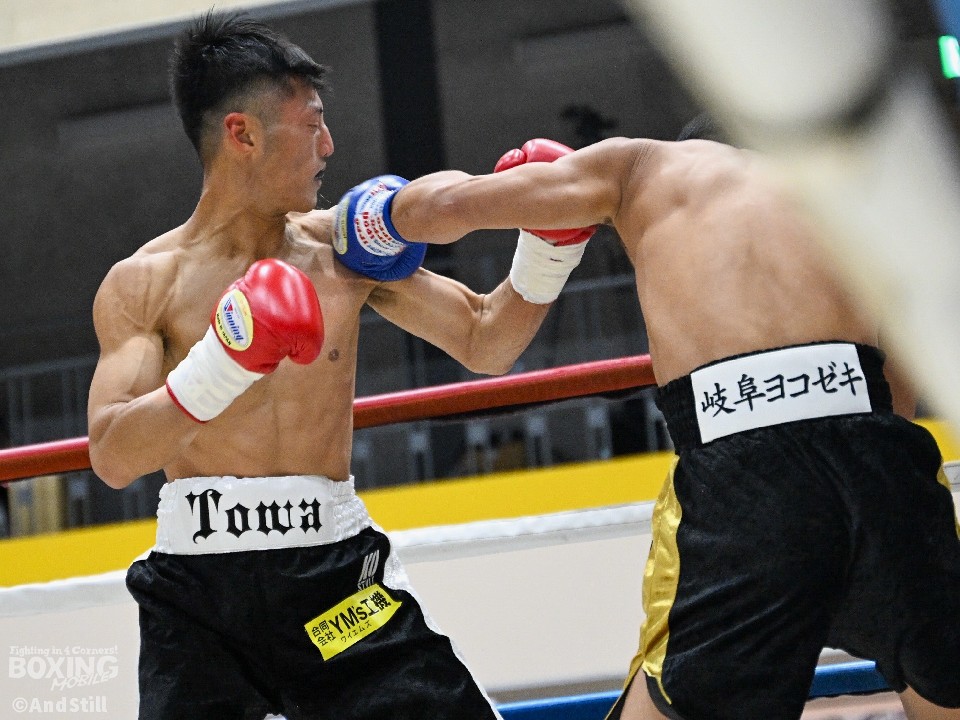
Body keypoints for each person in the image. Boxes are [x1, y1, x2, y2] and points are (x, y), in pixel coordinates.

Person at [339, 121, 960, 719]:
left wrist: (374, 218)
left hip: (749, 470)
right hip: (885, 462)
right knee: (942, 679)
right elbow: (899, 383)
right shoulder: (839, 194)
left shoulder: (644, 167)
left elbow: (451, 206)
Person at [86, 12, 594, 720]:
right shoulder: (145, 283)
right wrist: (223, 363)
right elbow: (113, 455)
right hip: (198, 601)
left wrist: (547, 251)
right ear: (242, 134)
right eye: (312, 124)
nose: (329, 146)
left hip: (335, 581)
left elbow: (487, 340)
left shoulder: (342, 249)